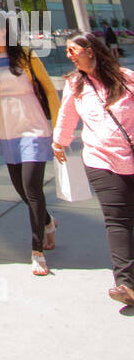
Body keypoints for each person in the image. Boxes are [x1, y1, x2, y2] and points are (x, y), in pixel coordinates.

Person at [52, 32, 134, 306]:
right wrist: (59, 143)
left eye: (72, 49)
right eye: (67, 51)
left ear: (91, 50)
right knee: (117, 219)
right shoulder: (75, 84)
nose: (69, 55)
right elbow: (67, 115)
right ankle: (125, 283)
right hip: (100, 160)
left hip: (131, 155)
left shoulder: (125, 78)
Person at [0, 18, 60, 276]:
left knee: (33, 188)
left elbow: (49, 90)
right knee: (22, 190)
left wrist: (59, 130)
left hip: (33, 126)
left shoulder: (26, 55)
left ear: (5, 31)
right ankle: (48, 221)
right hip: (7, 129)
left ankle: (37, 252)